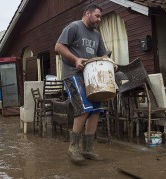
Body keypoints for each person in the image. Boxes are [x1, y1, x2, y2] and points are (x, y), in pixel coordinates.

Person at [55, 4, 114, 165]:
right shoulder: (74, 27)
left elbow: (102, 54)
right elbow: (58, 46)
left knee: (96, 111)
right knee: (84, 109)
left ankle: (88, 149)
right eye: (97, 16)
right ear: (87, 13)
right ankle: (73, 148)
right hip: (73, 75)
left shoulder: (97, 35)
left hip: (91, 77)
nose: (99, 19)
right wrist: (75, 59)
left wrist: (110, 62)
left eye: (100, 17)